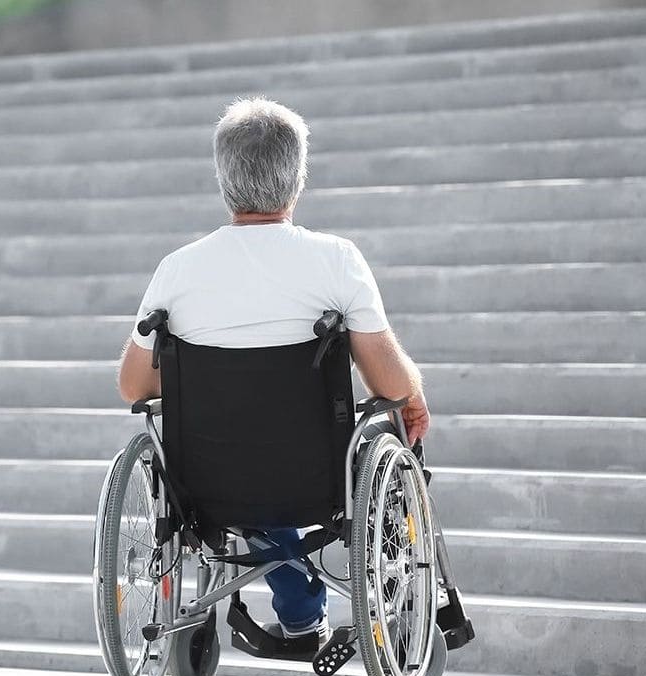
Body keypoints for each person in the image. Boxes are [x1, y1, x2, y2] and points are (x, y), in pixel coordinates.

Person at [116, 97, 430, 647]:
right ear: (298, 177)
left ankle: (298, 608)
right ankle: (359, 604)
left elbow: (133, 388)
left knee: (247, 451)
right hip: (317, 478)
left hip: (209, 481)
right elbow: (391, 385)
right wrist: (414, 395)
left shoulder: (178, 271)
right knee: (371, 431)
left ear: (222, 177)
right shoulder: (336, 260)